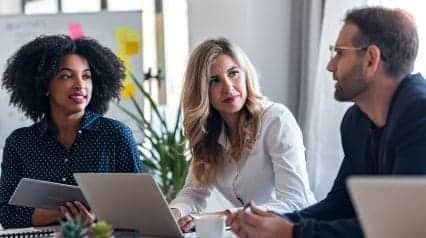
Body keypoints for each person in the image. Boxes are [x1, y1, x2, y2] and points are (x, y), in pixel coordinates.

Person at [228, 6, 426, 238]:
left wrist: (294, 232)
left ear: (371, 59)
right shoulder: (356, 121)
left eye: (339, 53)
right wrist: (277, 221)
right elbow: (340, 204)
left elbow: (399, 228)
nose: (330, 66)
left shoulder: (420, 115)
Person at [169, 38, 316, 232]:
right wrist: (175, 213)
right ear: (202, 90)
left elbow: (296, 201)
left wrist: (220, 217)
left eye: (233, 73)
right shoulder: (209, 133)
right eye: (214, 81)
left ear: (245, 74)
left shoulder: (276, 120)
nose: (228, 87)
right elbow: (194, 193)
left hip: (293, 232)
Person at [0, 35, 142, 229]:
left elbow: (140, 209)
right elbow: (6, 214)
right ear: (44, 84)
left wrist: (96, 222)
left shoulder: (116, 135)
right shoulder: (20, 142)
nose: (80, 85)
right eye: (66, 76)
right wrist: (50, 214)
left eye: (86, 76)